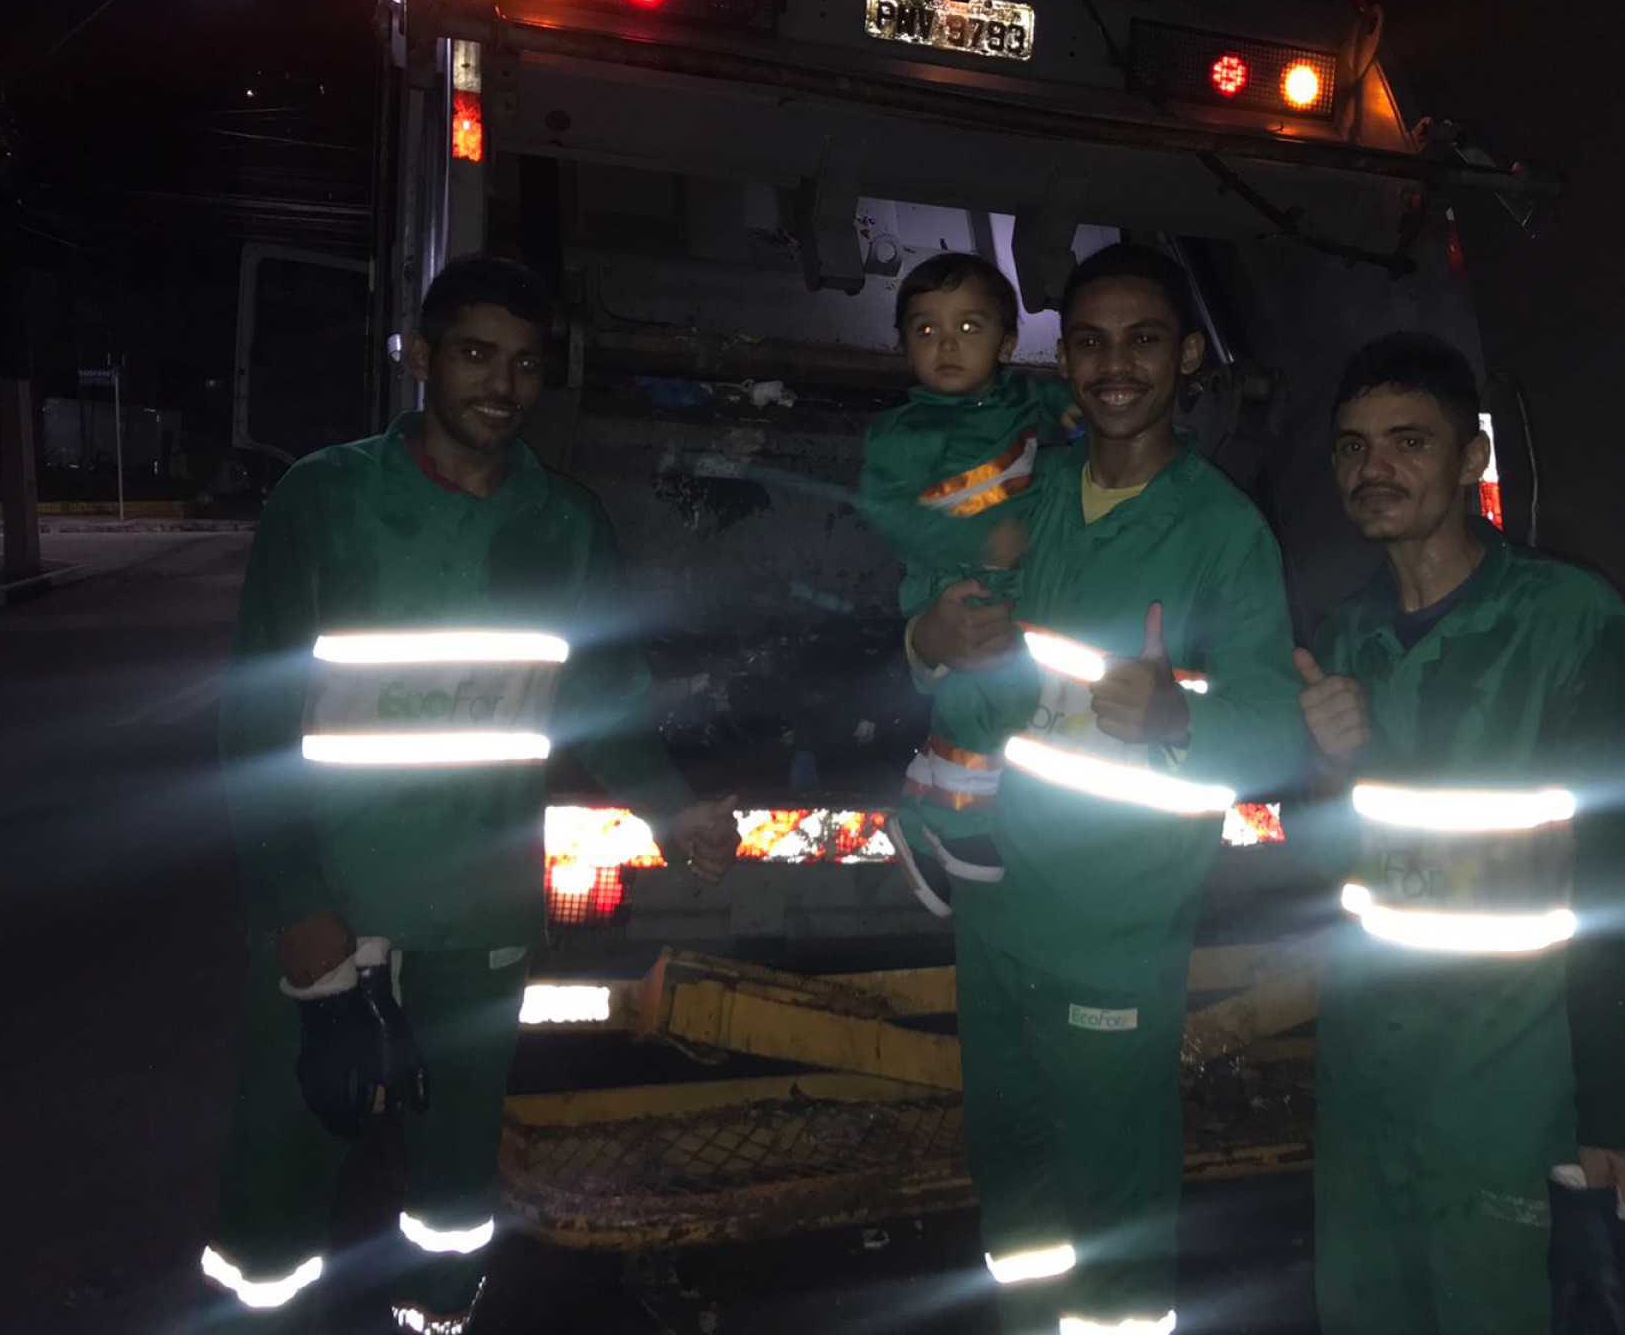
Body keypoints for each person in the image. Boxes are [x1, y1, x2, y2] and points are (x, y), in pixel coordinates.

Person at [204, 255, 740, 1334]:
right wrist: (296, 899)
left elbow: (603, 703)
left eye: (525, 364)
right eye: (477, 354)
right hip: (334, 905)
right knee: (284, 1153)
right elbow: (254, 719)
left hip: (481, 910)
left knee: (455, 1172)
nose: (502, 384)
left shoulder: (566, 522)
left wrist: (671, 805)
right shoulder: (328, 497)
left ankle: (438, 1320)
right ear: (421, 356)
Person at [911, 243, 1306, 1334]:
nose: (1115, 366)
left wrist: (1181, 719)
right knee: (1015, 1178)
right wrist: (923, 640)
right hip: (994, 913)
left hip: (1117, 932)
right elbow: (942, 648)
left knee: (1115, 1198)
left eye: (1143, 341)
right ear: (1063, 361)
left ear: (1188, 358)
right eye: (1090, 342)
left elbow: (1277, 735)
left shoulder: (1223, 534)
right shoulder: (1025, 499)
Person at [1294, 332, 1625, 1334]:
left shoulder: (1570, 623)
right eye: (1352, 447)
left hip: (1515, 1087)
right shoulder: (1341, 641)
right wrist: (1326, 769)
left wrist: (1623, 1118)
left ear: (1471, 458)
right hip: (1369, 1080)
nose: (1374, 468)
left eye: (1408, 441)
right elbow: (1327, 858)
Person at [859, 251, 1076, 916]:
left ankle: (916, 810)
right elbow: (888, 513)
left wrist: (1082, 412)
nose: (946, 345)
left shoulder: (1024, 399)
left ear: (1007, 343)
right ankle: (955, 820)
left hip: (1010, 584)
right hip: (949, 584)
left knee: (987, 701)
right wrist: (976, 542)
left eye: (969, 327)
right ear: (904, 345)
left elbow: (1076, 406)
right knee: (995, 699)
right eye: (926, 330)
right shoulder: (904, 432)